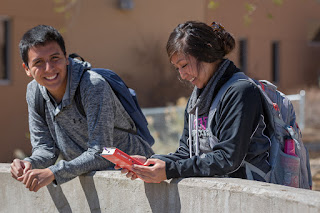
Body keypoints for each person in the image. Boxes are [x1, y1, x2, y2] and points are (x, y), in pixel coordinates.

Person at [117, 21, 271, 183]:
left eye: (184, 65)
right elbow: (186, 153)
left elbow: (227, 158)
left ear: (207, 55)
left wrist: (169, 170)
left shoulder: (241, 92)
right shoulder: (196, 99)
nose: (182, 75)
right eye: (177, 68)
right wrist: (151, 163)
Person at [10, 25, 154, 192]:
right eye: (39, 62)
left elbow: (102, 151)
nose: (49, 68)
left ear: (66, 57)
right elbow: (45, 149)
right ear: (27, 69)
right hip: (91, 182)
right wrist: (29, 163)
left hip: (134, 177)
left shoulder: (92, 86)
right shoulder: (34, 92)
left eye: (55, 58)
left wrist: (54, 172)